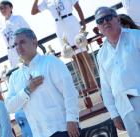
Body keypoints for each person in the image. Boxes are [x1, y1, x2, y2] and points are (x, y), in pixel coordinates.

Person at [5, 28, 79, 137]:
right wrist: (27, 90)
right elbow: (10, 107)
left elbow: (70, 92)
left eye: (22, 42)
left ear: (34, 41)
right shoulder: (14, 77)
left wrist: (72, 119)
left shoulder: (51, 62)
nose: (18, 47)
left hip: (63, 129)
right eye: (15, 45)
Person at [95, 6, 140, 137]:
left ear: (117, 19)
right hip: (125, 109)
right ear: (98, 27)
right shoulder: (101, 54)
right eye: (100, 21)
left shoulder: (136, 37)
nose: (105, 22)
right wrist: (114, 114)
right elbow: (106, 88)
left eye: (108, 17)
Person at [31, 0, 96, 89]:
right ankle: (86, 85)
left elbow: (78, 8)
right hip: (59, 26)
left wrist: (83, 24)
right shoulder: (46, 1)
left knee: (83, 52)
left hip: (71, 22)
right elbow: (33, 12)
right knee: (74, 57)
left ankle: (93, 83)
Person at [0, 0, 30, 69]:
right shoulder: (0, 24)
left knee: (29, 69)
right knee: (18, 73)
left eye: (5, 7)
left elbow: (29, 32)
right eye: (1, 8)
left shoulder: (18, 18)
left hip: (21, 48)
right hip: (11, 52)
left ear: (11, 8)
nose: (3, 10)